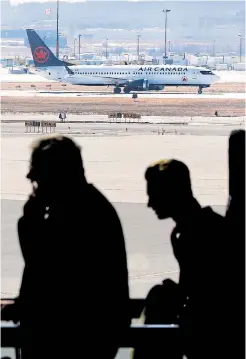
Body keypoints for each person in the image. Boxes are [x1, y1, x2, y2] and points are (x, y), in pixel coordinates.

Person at [17, 134, 130, 358]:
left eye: (38, 172)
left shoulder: (75, 215)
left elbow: (43, 270)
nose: (32, 179)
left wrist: (29, 223)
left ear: (57, 175)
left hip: (69, 341)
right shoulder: (91, 207)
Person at [144, 159, 226, 358]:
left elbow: (207, 297)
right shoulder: (193, 229)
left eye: (153, 194)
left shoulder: (197, 234)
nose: (149, 203)